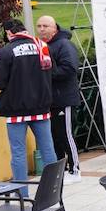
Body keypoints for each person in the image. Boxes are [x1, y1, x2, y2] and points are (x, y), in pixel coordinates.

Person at [0, 18, 57, 180]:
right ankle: (54, 188)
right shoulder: (42, 47)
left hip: (16, 109)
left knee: (18, 153)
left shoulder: (5, 52)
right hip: (41, 107)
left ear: (8, 33)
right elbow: (52, 72)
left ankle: (22, 191)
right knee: (48, 149)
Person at [37, 16, 81, 179]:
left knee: (66, 135)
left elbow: (70, 68)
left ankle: (75, 170)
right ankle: (61, 171)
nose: (42, 29)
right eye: (39, 26)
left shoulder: (64, 45)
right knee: (54, 137)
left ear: (55, 28)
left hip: (64, 99)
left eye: (45, 26)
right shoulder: (41, 46)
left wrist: (46, 74)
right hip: (50, 101)